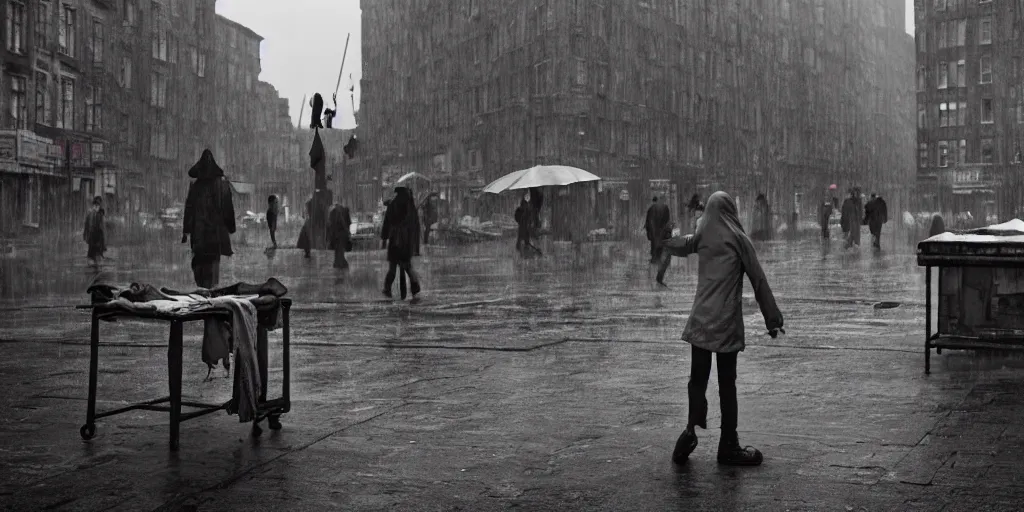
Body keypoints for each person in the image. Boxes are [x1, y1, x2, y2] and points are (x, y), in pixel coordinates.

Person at [655, 191, 783, 466]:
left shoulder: (703, 235)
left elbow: (683, 243)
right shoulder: (740, 240)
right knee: (727, 384)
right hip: (725, 325)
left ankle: (689, 432)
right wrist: (772, 319)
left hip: (700, 322)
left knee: (697, 381)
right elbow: (758, 279)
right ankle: (728, 445)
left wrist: (663, 240)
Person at [182, 149, 236, 289]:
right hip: (214, 235)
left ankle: (204, 290)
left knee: (200, 265)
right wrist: (230, 227)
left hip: (199, 235)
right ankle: (209, 291)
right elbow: (228, 209)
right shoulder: (222, 186)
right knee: (212, 265)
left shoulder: (196, 187)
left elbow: (189, 209)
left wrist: (186, 231)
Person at [381, 187, 421, 300]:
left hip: (394, 239)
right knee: (407, 265)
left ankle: (387, 288)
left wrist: (384, 238)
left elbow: (386, 223)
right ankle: (414, 286)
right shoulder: (410, 206)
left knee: (393, 266)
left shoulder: (392, 204)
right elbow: (415, 225)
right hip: (406, 240)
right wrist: (415, 243)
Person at [644, 196, 672, 264]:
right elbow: (667, 219)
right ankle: (662, 259)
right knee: (662, 243)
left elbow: (648, 221)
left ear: (653, 201)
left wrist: (648, 231)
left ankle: (655, 259)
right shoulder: (665, 207)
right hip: (663, 230)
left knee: (654, 244)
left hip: (654, 230)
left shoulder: (651, 208)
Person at [327, 203, 352, 269]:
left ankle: (339, 263)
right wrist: (348, 233)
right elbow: (347, 223)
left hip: (337, 235)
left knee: (338, 250)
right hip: (342, 235)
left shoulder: (332, 213)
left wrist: (330, 236)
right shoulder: (343, 212)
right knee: (340, 250)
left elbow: (330, 225)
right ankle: (340, 263)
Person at [83, 196, 106, 266]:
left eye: (97, 205)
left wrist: (102, 242)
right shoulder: (90, 215)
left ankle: (97, 269)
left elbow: (102, 229)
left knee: (98, 257)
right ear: (93, 205)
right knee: (91, 256)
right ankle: (93, 268)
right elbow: (86, 226)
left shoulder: (100, 215)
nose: (96, 206)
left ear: (99, 206)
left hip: (98, 239)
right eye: (95, 205)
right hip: (92, 239)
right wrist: (85, 235)